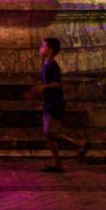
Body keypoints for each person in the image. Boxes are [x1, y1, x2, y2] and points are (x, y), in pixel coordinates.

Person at [25, 37, 88, 172]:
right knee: (48, 134)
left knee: (49, 132)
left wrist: (43, 87)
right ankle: (57, 163)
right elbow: (46, 85)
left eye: (43, 46)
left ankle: (78, 143)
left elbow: (58, 83)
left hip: (55, 103)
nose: (40, 49)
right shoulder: (46, 64)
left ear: (50, 50)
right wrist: (36, 91)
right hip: (49, 102)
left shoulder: (53, 65)